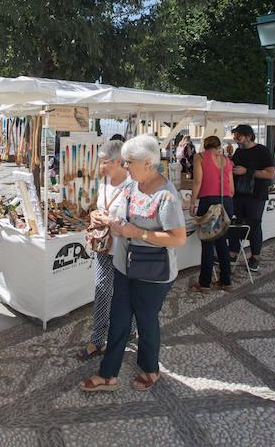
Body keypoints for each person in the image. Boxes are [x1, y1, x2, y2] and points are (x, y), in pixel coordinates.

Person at [79, 135, 186, 392]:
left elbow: (178, 238)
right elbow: (120, 226)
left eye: (129, 162)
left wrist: (138, 234)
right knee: (119, 319)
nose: (125, 167)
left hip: (153, 272)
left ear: (147, 162)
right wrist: (106, 222)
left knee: (146, 321)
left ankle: (150, 368)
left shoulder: (166, 195)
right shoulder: (130, 188)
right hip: (123, 267)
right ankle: (108, 373)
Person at [77, 140, 131, 360]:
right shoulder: (105, 183)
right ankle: (97, 340)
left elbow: (134, 220)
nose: (100, 167)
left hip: (125, 250)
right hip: (103, 247)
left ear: (118, 161)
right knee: (101, 291)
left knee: (125, 294)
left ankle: (130, 329)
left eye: (104, 162)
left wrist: (111, 219)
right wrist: (95, 216)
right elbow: (100, 209)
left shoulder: (133, 187)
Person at [189, 135, 235, 292]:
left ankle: (205, 283)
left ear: (204, 145)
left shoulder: (200, 157)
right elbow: (232, 189)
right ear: (219, 146)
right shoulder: (227, 161)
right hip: (227, 202)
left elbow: (197, 181)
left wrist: (192, 202)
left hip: (208, 201)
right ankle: (226, 281)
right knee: (222, 243)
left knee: (208, 243)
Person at [228, 124, 275, 272]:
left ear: (248, 136)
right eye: (235, 138)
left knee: (253, 225)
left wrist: (247, 171)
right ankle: (233, 252)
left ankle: (255, 256)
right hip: (238, 194)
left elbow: (270, 174)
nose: (237, 141)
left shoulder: (262, 151)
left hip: (256, 195)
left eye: (239, 138)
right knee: (236, 223)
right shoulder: (239, 151)